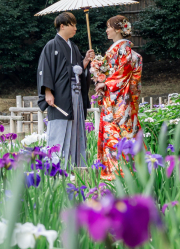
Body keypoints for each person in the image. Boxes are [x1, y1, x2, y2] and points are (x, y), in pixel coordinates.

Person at [37, 11, 93, 167]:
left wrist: (86, 61)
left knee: (75, 129)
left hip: (75, 96)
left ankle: (75, 167)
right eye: (73, 25)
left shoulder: (73, 47)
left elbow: (76, 69)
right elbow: (45, 69)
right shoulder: (51, 46)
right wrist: (48, 92)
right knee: (59, 130)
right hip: (60, 96)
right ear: (62, 26)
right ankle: (55, 168)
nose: (75, 28)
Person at [90, 14, 142, 180]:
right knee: (118, 134)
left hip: (118, 102)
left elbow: (121, 74)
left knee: (116, 135)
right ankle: (124, 173)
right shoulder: (121, 50)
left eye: (109, 27)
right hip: (118, 100)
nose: (106, 30)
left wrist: (104, 82)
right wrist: (96, 67)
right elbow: (110, 72)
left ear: (118, 29)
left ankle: (118, 174)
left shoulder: (123, 50)